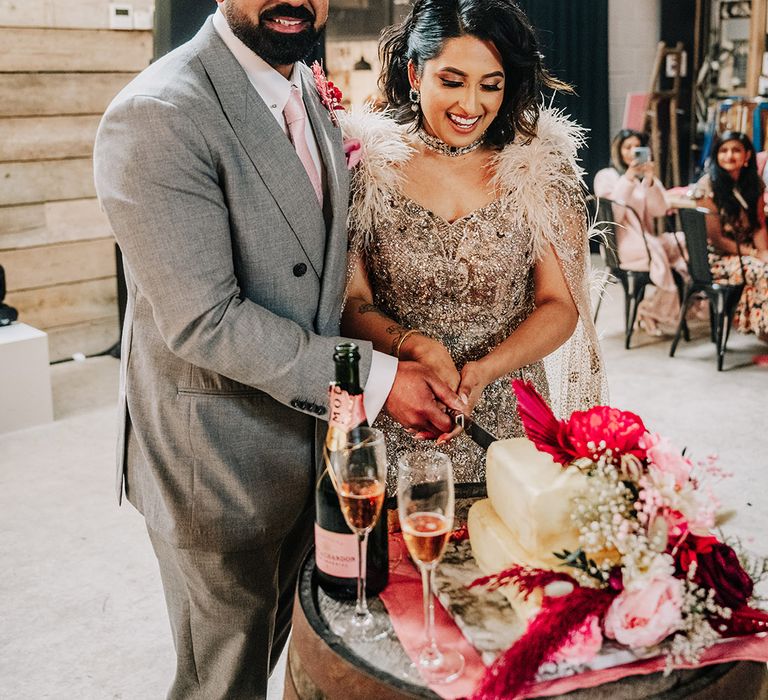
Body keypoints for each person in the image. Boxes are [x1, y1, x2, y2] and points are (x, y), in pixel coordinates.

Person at [92, 1, 464, 697]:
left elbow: (315, 274)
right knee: (222, 680)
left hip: (310, 445)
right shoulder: (158, 114)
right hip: (217, 460)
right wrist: (383, 382)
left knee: (276, 652)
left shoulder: (300, 87)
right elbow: (207, 320)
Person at [339, 0, 607, 493]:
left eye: (491, 85)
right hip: (398, 410)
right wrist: (412, 346)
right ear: (415, 74)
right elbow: (351, 304)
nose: (471, 106)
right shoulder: (365, 166)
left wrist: (486, 369)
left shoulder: (539, 170)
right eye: (452, 80)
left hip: (507, 422)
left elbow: (559, 306)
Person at [593, 129, 688, 335]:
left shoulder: (642, 178)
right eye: (627, 147)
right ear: (618, 150)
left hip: (646, 240)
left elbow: (660, 210)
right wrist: (627, 178)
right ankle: (650, 311)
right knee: (658, 250)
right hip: (621, 244)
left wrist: (651, 180)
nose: (633, 152)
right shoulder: (607, 176)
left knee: (683, 243)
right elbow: (613, 217)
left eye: (637, 147)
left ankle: (652, 309)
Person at [694, 131, 768, 342]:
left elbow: (758, 226)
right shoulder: (707, 186)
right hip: (716, 258)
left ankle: (760, 330)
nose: (729, 155)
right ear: (716, 155)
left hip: (744, 254)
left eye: (736, 150)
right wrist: (755, 254)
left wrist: (764, 253)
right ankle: (764, 334)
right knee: (763, 271)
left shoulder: (755, 184)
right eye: (724, 150)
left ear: (746, 156)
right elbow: (716, 239)